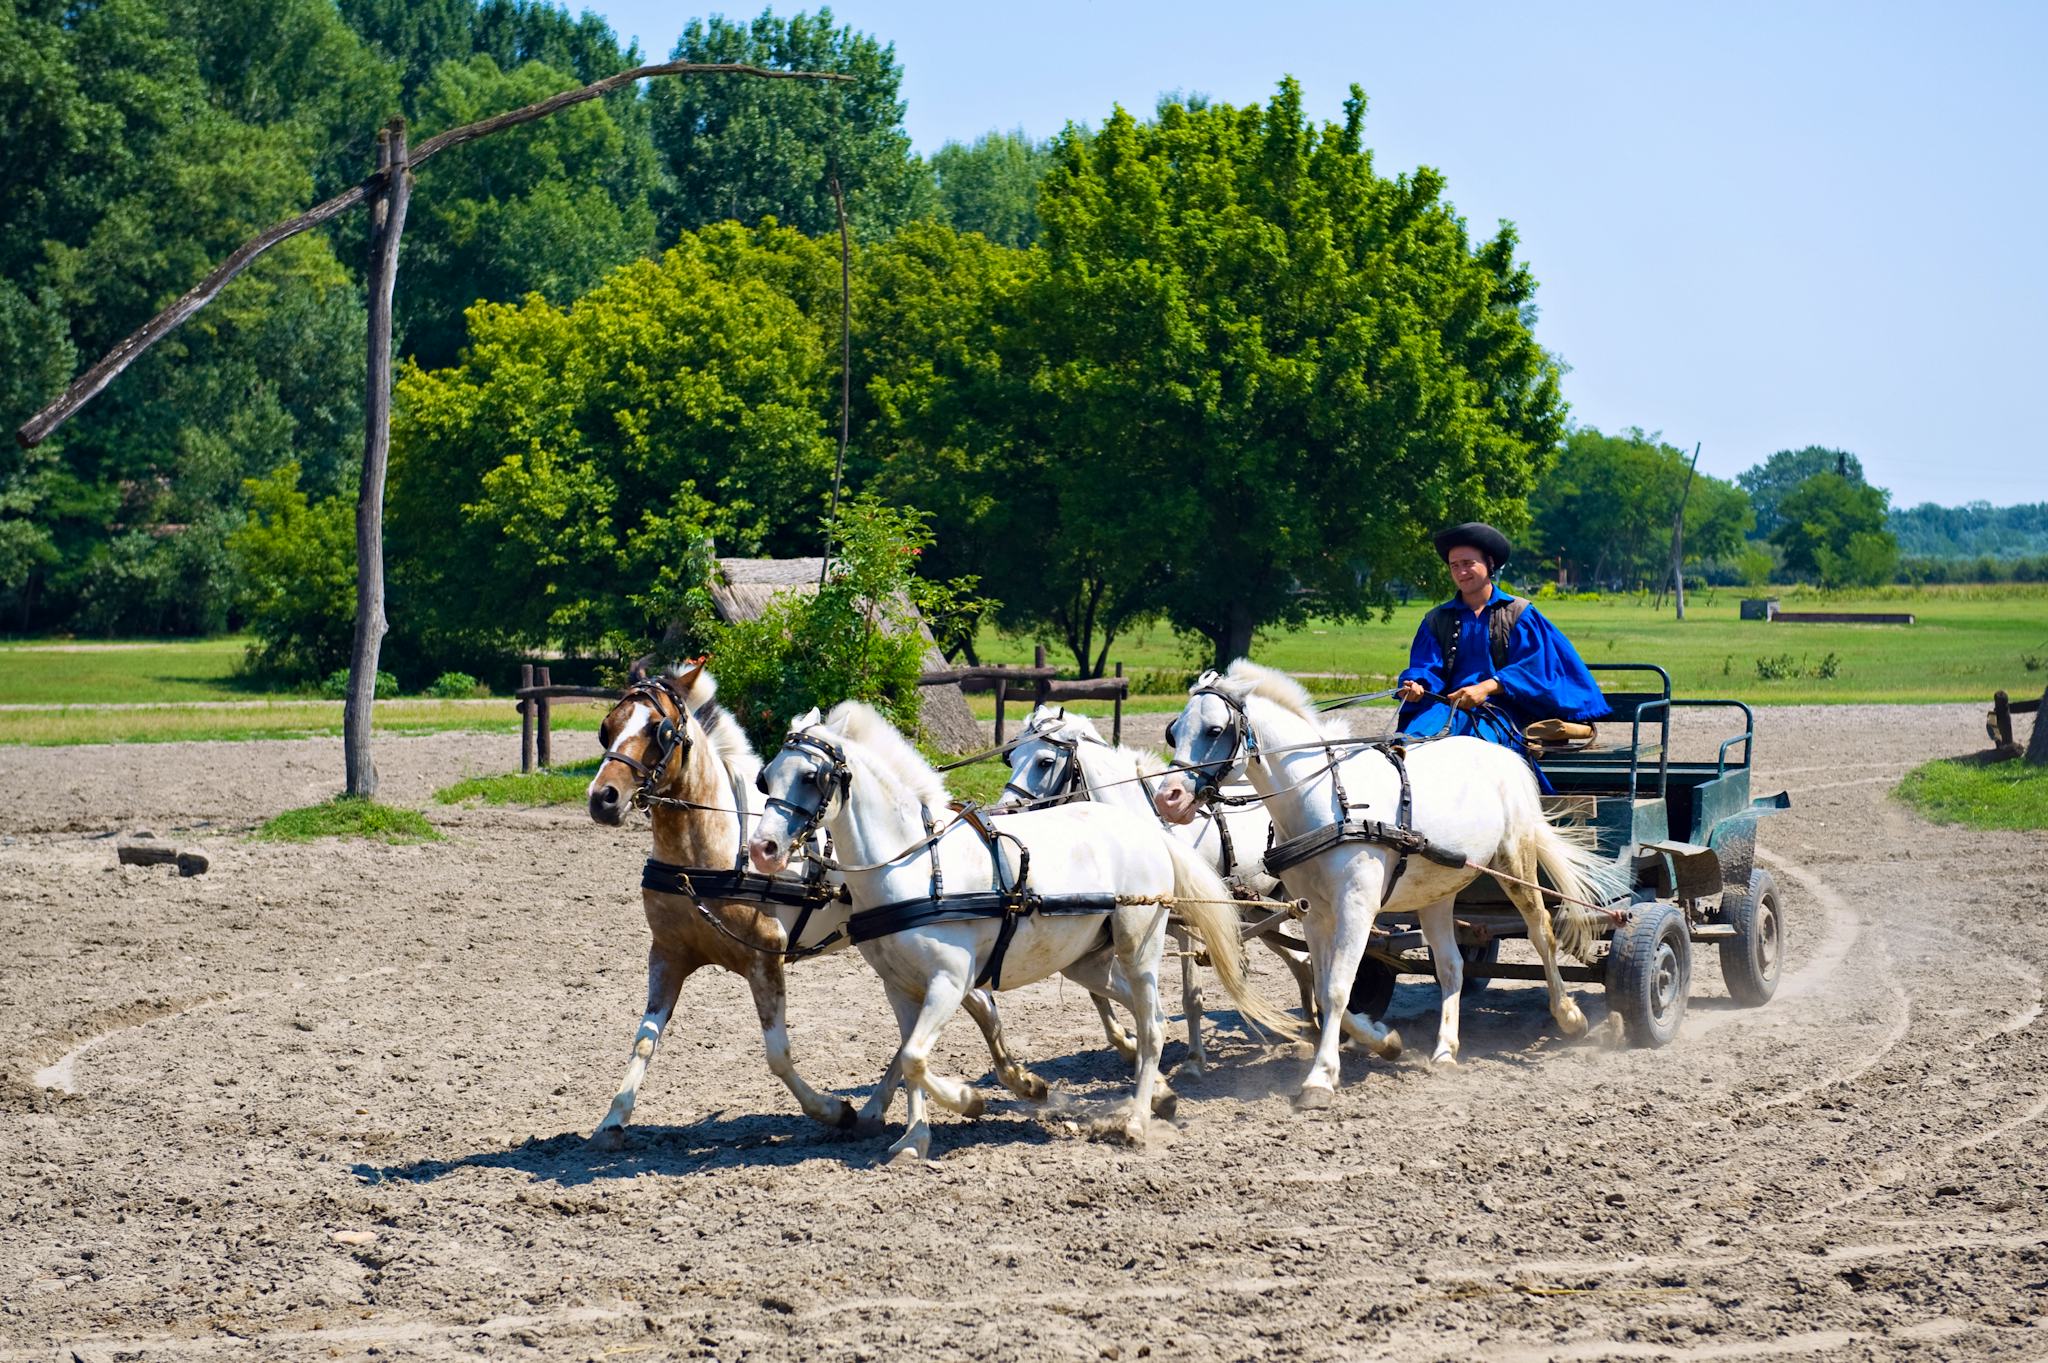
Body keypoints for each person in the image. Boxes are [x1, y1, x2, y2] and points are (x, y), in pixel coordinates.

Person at [1394, 522, 1609, 750]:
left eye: (1468, 563)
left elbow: (1533, 668)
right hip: (1446, 708)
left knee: (1478, 751)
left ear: (1490, 563)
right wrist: (1416, 685)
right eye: (1454, 566)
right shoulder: (1436, 619)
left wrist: (1487, 687)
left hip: (1502, 710)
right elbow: (1427, 667)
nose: (1461, 572)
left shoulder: (1520, 614)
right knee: (1412, 745)